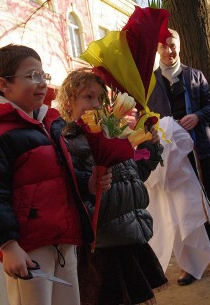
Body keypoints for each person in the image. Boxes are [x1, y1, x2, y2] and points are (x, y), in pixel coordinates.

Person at [0, 44, 93, 305]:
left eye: (43, 75)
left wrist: (89, 184)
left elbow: (59, 179)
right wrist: (8, 245)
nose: (41, 83)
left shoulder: (48, 125)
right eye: (32, 76)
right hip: (28, 249)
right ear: (4, 85)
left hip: (62, 241)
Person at [56, 69, 167, 305]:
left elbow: (135, 173)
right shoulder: (71, 141)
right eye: (88, 97)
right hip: (106, 244)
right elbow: (76, 191)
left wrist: (152, 147)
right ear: (68, 102)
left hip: (131, 234)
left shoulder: (113, 131)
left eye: (100, 98)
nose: (96, 104)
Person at [148, 29, 210, 286]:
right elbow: (146, 119)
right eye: (164, 47)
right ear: (157, 50)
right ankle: (190, 266)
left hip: (199, 150)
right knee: (181, 210)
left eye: (173, 45)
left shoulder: (195, 75)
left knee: (209, 203)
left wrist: (198, 116)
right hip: (171, 156)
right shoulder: (150, 82)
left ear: (179, 46)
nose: (169, 51)